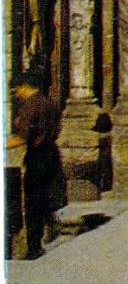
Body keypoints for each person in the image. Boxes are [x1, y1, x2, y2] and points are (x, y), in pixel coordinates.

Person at [8, 74, 65, 259]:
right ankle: (49, 226)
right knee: (44, 197)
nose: (17, 95)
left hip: (37, 156)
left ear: (25, 87)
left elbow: (22, 136)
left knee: (33, 202)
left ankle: (34, 247)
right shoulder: (49, 102)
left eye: (17, 91)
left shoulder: (31, 106)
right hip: (51, 153)